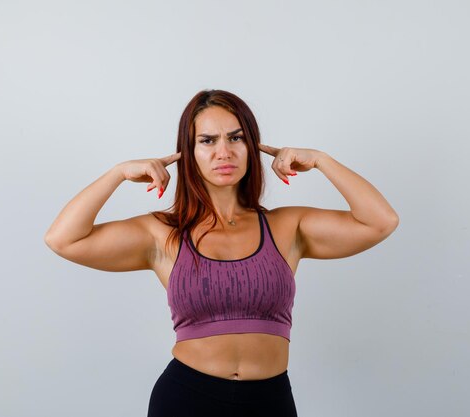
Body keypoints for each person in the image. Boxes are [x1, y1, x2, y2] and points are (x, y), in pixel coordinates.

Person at [44, 89, 399, 417]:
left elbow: (380, 222)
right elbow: (64, 239)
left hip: (269, 401)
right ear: (189, 152)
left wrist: (321, 160)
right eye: (207, 140)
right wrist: (118, 173)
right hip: (186, 398)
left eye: (236, 137)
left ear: (252, 146)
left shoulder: (287, 226)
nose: (223, 152)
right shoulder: (162, 234)